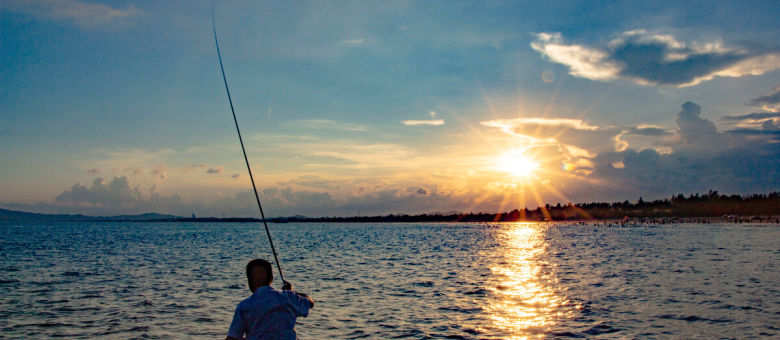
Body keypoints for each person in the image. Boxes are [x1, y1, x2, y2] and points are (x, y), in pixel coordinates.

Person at [226, 259, 314, 340]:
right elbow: (310, 303)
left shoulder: (244, 306)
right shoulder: (288, 297)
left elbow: (233, 338)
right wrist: (292, 293)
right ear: (271, 278)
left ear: (249, 281)